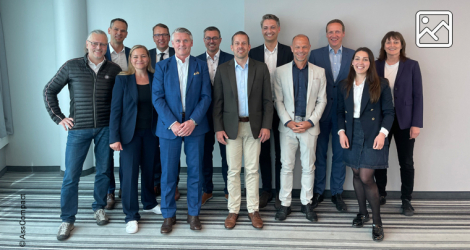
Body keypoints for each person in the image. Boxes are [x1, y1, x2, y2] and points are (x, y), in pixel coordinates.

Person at [43, 30, 122, 241]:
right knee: (71, 176)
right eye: (95, 44)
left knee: (104, 171)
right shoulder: (72, 66)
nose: (99, 48)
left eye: (103, 45)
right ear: (87, 44)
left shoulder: (114, 69)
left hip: (106, 129)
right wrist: (59, 117)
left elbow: (121, 100)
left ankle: (99, 207)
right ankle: (67, 219)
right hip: (79, 129)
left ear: (107, 46)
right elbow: (49, 90)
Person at [152, 27, 211, 234]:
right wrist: (173, 123)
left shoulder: (200, 66)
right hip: (170, 127)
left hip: (195, 126)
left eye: (185, 41)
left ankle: (193, 213)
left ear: (191, 43)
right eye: (178, 41)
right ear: (172, 43)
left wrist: (193, 120)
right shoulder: (162, 66)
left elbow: (206, 97)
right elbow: (157, 98)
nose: (181, 44)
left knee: (195, 172)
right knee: (168, 173)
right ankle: (168, 215)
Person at [213, 31, 273, 230]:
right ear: (231, 47)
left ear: (248, 47)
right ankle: (233, 210)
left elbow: (267, 100)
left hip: (254, 127)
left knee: (253, 170)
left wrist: (266, 125)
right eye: (237, 43)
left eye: (244, 43)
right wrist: (218, 128)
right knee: (232, 170)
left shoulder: (260, 68)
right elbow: (218, 102)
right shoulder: (223, 69)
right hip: (231, 128)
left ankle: (253, 210)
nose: (240, 46)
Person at [337, 47, 394, 241]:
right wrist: (341, 132)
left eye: (365, 59)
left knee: (366, 176)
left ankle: (377, 222)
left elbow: (389, 112)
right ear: (352, 61)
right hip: (351, 133)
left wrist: (382, 134)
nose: (361, 62)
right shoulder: (344, 85)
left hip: (372, 133)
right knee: (355, 173)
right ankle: (362, 213)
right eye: (357, 58)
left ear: (370, 63)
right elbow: (338, 113)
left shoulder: (382, 84)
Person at [109, 45, 162, 234]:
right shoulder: (123, 79)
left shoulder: (156, 78)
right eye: (135, 56)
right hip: (128, 135)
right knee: (129, 174)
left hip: (151, 132)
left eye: (143, 56)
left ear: (148, 58)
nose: (139, 59)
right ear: (130, 59)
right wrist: (114, 137)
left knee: (150, 170)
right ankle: (131, 215)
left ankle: (149, 203)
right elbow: (115, 110)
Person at [273, 35, 327, 222]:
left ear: (309, 47)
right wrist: (288, 121)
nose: (301, 50)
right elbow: (277, 101)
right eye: (297, 47)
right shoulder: (280, 72)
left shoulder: (319, 72)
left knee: (308, 167)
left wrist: (310, 122)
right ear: (292, 48)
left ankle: (306, 203)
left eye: (304, 47)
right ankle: (285, 204)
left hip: (309, 127)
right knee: (286, 167)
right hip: (288, 127)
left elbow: (322, 101)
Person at [374, 31, 423, 216]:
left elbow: (418, 95)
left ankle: (406, 199)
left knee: (407, 162)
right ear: (383, 45)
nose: (392, 45)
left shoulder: (411, 65)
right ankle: (380, 193)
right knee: (379, 160)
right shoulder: (376, 65)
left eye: (395, 42)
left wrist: (416, 123)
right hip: (380, 120)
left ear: (401, 45)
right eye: (388, 42)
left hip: (405, 120)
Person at [309, 19, 354, 212]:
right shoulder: (316, 54)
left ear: (343, 33)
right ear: (326, 34)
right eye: (330, 32)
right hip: (320, 112)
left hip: (344, 113)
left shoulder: (354, 55)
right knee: (319, 154)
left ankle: (337, 193)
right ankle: (318, 192)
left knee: (340, 155)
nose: (334, 35)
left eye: (337, 32)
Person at [249, 14, 293, 208]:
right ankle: (266, 189)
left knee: (282, 153)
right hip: (261, 110)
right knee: (263, 152)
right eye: (266, 27)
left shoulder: (289, 52)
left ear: (279, 29)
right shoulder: (254, 53)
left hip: (285, 108)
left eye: (272, 27)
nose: (269, 31)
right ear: (262, 30)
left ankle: (280, 191)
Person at [196, 26, 234, 204]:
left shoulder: (231, 59)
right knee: (205, 154)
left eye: (214, 38)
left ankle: (229, 190)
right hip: (202, 116)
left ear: (220, 40)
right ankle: (207, 189)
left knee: (228, 154)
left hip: (226, 115)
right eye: (208, 38)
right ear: (203, 40)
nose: (211, 41)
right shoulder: (195, 61)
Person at [148, 23, 181, 200]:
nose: (161, 38)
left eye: (164, 35)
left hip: (173, 112)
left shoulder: (179, 54)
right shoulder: (146, 56)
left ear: (169, 37)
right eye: (157, 35)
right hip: (151, 110)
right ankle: (156, 182)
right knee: (154, 149)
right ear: (153, 37)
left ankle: (173, 184)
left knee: (172, 149)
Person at [104, 17, 131, 210]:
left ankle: (124, 188)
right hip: (106, 108)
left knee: (126, 152)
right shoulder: (100, 52)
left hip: (127, 110)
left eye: (122, 31)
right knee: (106, 154)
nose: (119, 33)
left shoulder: (132, 54)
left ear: (126, 34)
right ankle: (109, 191)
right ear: (109, 30)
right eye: (116, 30)